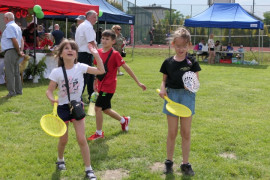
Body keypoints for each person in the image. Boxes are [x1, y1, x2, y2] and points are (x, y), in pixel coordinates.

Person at [46, 39, 105, 180]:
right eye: (66, 48)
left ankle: (89, 169)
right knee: (63, 139)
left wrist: (96, 54)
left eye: (73, 48)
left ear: (76, 55)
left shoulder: (81, 67)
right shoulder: (56, 72)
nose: (70, 50)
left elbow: (101, 70)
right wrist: (51, 98)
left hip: (77, 106)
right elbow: (49, 90)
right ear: (60, 54)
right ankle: (60, 159)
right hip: (62, 108)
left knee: (81, 138)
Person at [87, 30, 146, 141]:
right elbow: (97, 69)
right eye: (103, 38)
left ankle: (99, 133)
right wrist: (95, 81)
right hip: (100, 85)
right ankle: (124, 120)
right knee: (106, 109)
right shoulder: (98, 52)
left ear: (113, 41)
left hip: (109, 87)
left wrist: (138, 82)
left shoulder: (115, 55)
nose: (104, 41)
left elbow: (126, 68)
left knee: (98, 108)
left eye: (107, 39)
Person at [158, 27, 201, 176]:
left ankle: (185, 164)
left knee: (186, 132)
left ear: (189, 45)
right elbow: (163, 81)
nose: (181, 49)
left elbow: (196, 82)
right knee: (172, 132)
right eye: (178, 46)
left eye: (184, 46)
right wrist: (162, 89)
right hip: (172, 98)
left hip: (187, 97)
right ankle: (168, 162)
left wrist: (190, 86)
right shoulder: (167, 62)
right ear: (173, 45)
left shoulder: (192, 61)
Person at [75, 10, 97, 103]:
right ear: (88, 17)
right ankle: (78, 99)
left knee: (90, 76)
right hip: (85, 54)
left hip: (82, 53)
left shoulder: (83, 25)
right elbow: (91, 41)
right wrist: (98, 53)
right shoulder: (87, 26)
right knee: (84, 77)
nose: (96, 19)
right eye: (94, 17)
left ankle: (91, 96)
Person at [1, 12, 24, 97]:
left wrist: (18, 51)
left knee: (10, 72)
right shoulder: (17, 27)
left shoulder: (10, 27)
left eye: (4, 18)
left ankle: (11, 92)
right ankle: (18, 91)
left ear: (7, 18)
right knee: (16, 72)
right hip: (15, 51)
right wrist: (20, 51)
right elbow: (21, 40)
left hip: (11, 51)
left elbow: (14, 40)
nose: (3, 20)